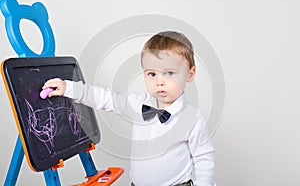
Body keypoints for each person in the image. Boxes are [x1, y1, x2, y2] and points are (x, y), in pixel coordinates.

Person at [42, 31, 216, 186]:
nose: (159, 81)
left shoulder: (192, 118)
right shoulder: (139, 104)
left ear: (190, 74)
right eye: (152, 74)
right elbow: (107, 99)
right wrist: (70, 88)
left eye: (169, 73)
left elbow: (204, 159)